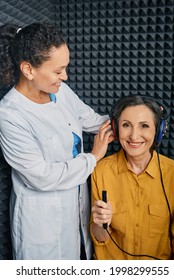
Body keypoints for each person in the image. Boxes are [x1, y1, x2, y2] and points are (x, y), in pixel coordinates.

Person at [0, 22, 114, 260]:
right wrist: (93, 157)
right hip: (41, 225)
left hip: (74, 211)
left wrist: (131, 119)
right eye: (58, 70)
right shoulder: (10, 114)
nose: (65, 76)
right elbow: (41, 176)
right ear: (28, 70)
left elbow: (91, 120)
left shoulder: (60, 91)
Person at [90, 95, 174, 260]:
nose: (134, 136)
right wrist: (100, 224)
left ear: (159, 131)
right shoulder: (100, 171)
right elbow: (100, 238)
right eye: (126, 125)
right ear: (116, 128)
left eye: (144, 126)